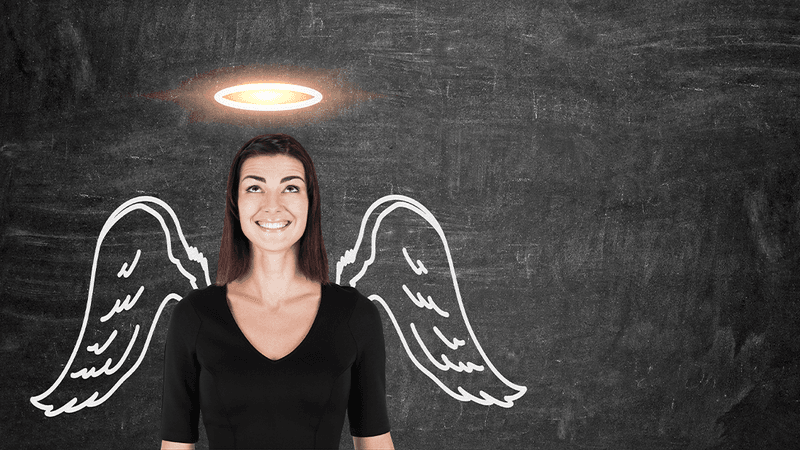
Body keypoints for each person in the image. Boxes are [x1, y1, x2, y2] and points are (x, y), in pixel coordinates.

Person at [160, 134, 394, 449]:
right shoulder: (194, 316)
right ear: (235, 201)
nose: (273, 206)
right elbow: (175, 446)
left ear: (310, 202)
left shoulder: (354, 315)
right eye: (255, 187)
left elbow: (375, 443)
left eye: (291, 187)